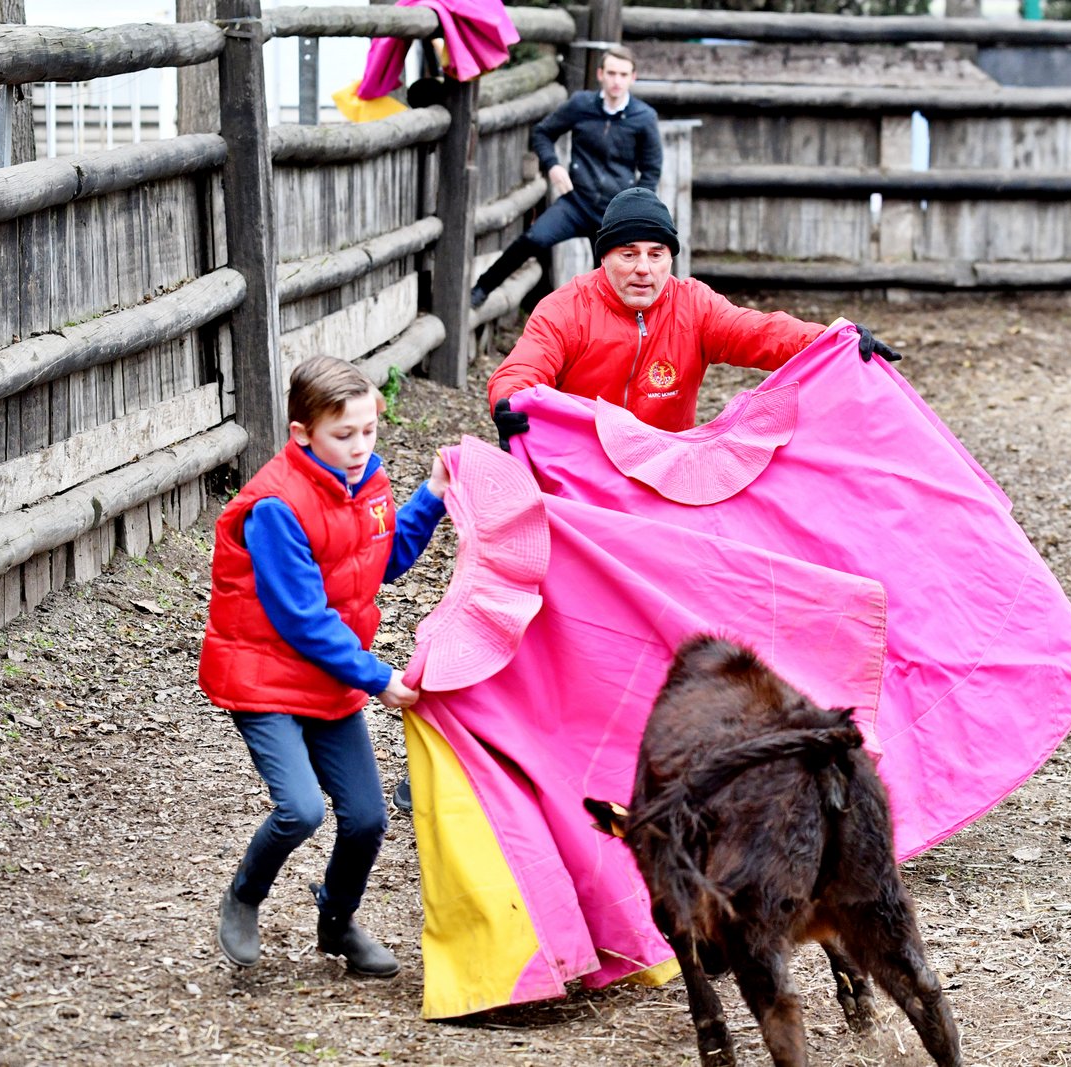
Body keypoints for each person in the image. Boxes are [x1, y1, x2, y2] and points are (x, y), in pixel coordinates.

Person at [198, 356, 450, 976]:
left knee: (367, 818)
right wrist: (379, 677)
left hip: (329, 680)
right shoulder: (276, 508)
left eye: (369, 431)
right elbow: (302, 621)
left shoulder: (365, 480)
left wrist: (434, 495)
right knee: (302, 809)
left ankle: (336, 925)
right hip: (263, 678)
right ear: (301, 432)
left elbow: (384, 560)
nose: (361, 446)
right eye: (345, 434)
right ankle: (244, 896)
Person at [487, 187, 898, 444]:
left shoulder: (693, 306)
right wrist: (511, 401)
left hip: (665, 467)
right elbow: (523, 367)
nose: (643, 269)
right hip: (582, 467)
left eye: (656, 254)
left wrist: (831, 340)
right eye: (628, 254)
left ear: (670, 258)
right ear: (605, 258)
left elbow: (758, 332)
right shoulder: (566, 308)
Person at [469, 45, 662, 310]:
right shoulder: (581, 105)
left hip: (612, 213)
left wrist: (633, 210)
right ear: (600, 74)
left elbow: (651, 171)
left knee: (607, 281)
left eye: (623, 75)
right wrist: (553, 166)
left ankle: (601, 340)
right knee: (534, 238)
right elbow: (542, 133)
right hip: (576, 201)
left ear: (633, 78)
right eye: (612, 73)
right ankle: (481, 289)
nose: (617, 81)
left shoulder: (644, 117)